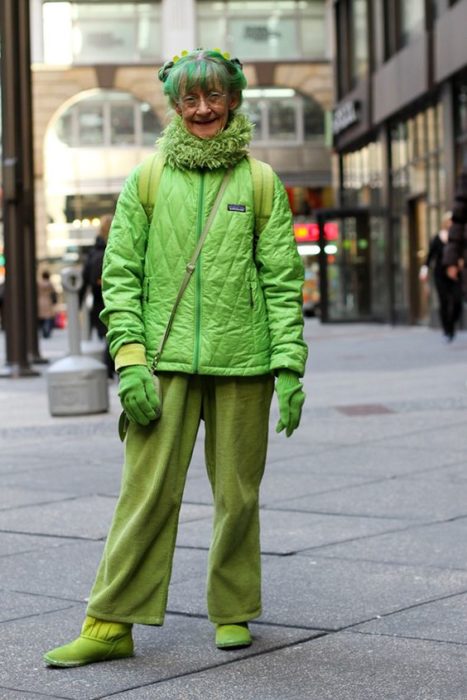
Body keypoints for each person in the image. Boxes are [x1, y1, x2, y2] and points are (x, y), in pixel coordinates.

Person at [44, 48, 307, 668]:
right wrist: (130, 359)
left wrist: (290, 364)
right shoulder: (147, 180)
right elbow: (120, 275)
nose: (203, 109)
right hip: (161, 364)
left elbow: (282, 280)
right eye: (190, 99)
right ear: (174, 105)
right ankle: (110, 623)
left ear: (234, 99)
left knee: (237, 495)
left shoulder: (263, 182)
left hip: (245, 361)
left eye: (214, 96)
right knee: (144, 493)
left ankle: (234, 609)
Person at [80, 214, 115, 377]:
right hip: (111, 301)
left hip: (99, 304)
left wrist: (79, 304)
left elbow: (84, 280)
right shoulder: (113, 250)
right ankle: (110, 370)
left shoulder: (93, 253)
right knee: (113, 338)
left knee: (109, 338)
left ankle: (110, 371)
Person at [419, 212, 462, 341]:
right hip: (440, 274)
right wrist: (424, 271)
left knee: (456, 301)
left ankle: (451, 323)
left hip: (455, 274)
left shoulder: (458, 238)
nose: (451, 224)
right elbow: (430, 257)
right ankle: (447, 330)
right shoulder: (437, 238)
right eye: (449, 221)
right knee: (444, 301)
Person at [37, 270, 57, 339]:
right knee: (48, 318)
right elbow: (54, 293)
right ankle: (47, 331)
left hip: (39, 301)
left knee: (40, 317)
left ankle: (42, 330)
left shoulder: (39, 283)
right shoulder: (50, 284)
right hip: (48, 301)